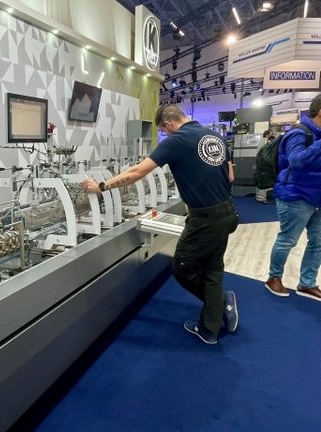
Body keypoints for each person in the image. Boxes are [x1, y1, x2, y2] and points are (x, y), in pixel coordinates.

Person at [82, 104, 239, 345]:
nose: (165, 135)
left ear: (168, 124)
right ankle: (210, 329)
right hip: (227, 211)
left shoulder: (177, 140)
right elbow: (230, 176)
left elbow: (136, 173)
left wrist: (101, 186)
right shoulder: (215, 136)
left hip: (205, 219)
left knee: (182, 268)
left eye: (163, 131)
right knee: (212, 267)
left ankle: (219, 304)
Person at [265, 94, 321, 299]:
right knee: (288, 240)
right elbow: (296, 161)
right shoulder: (298, 133)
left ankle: (307, 283)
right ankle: (274, 277)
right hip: (296, 195)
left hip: (318, 197)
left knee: (318, 243)